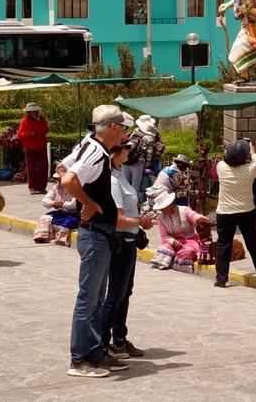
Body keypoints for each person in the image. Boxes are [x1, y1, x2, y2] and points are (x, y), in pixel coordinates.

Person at [61, 105, 136, 378]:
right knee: (89, 298)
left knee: (96, 299)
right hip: (94, 233)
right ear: (114, 128)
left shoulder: (93, 147)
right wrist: (88, 203)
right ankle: (79, 359)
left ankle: (94, 352)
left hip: (100, 233)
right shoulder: (95, 151)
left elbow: (62, 167)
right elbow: (68, 179)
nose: (124, 135)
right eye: (123, 128)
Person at [101, 135, 154, 360]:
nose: (129, 151)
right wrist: (141, 221)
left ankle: (119, 339)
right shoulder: (113, 181)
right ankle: (103, 342)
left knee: (125, 292)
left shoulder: (119, 174)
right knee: (115, 293)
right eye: (126, 148)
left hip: (130, 241)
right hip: (122, 241)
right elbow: (119, 219)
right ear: (116, 153)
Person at [214, 139, 256, 288]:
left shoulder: (221, 167)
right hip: (246, 211)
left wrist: (231, 149)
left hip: (225, 212)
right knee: (253, 242)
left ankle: (221, 278)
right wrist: (253, 152)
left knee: (223, 244)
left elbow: (227, 158)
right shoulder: (251, 169)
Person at [151, 190, 208, 272]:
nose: (170, 208)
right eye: (166, 207)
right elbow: (164, 236)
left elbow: (193, 216)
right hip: (173, 243)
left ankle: (178, 262)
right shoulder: (161, 218)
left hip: (190, 240)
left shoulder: (184, 210)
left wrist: (200, 219)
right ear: (162, 209)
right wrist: (173, 242)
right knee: (163, 249)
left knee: (187, 251)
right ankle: (166, 262)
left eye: (170, 205)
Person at [122, 115, 164, 200]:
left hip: (126, 161)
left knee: (125, 185)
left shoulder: (134, 133)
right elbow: (149, 154)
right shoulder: (150, 137)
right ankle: (135, 203)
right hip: (138, 163)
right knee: (135, 187)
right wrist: (146, 165)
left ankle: (124, 202)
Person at [18, 102, 49, 194]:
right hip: (29, 148)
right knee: (31, 168)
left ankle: (42, 187)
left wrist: (39, 122)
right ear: (28, 112)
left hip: (41, 147)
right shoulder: (24, 121)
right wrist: (29, 134)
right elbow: (20, 134)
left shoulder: (41, 119)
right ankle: (32, 187)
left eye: (36, 111)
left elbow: (46, 130)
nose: (34, 113)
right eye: (32, 111)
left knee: (43, 167)